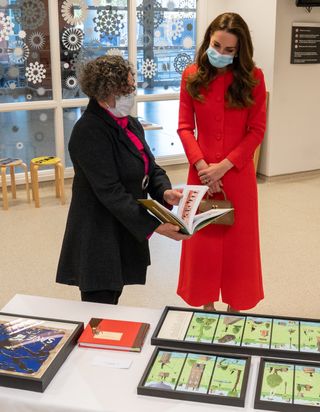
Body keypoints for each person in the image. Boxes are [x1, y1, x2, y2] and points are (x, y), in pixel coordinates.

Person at [56, 55, 189, 304]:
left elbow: (150, 166)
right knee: (101, 305)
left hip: (123, 225)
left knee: (114, 298)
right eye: (124, 89)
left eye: (131, 87)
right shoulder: (88, 131)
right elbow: (110, 191)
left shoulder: (131, 124)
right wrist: (154, 226)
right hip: (98, 232)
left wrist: (165, 192)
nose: (130, 93)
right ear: (103, 92)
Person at [177, 12, 267, 312]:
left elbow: (257, 130)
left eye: (230, 50)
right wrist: (203, 167)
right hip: (199, 173)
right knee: (202, 242)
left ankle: (234, 310)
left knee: (237, 245)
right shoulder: (191, 75)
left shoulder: (253, 78)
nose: (221, 54)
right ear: (208, 41)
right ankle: (206, 309)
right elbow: (184, 127)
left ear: (241, 50)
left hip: (237, 174)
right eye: (217, 46)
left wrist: (224, 166)